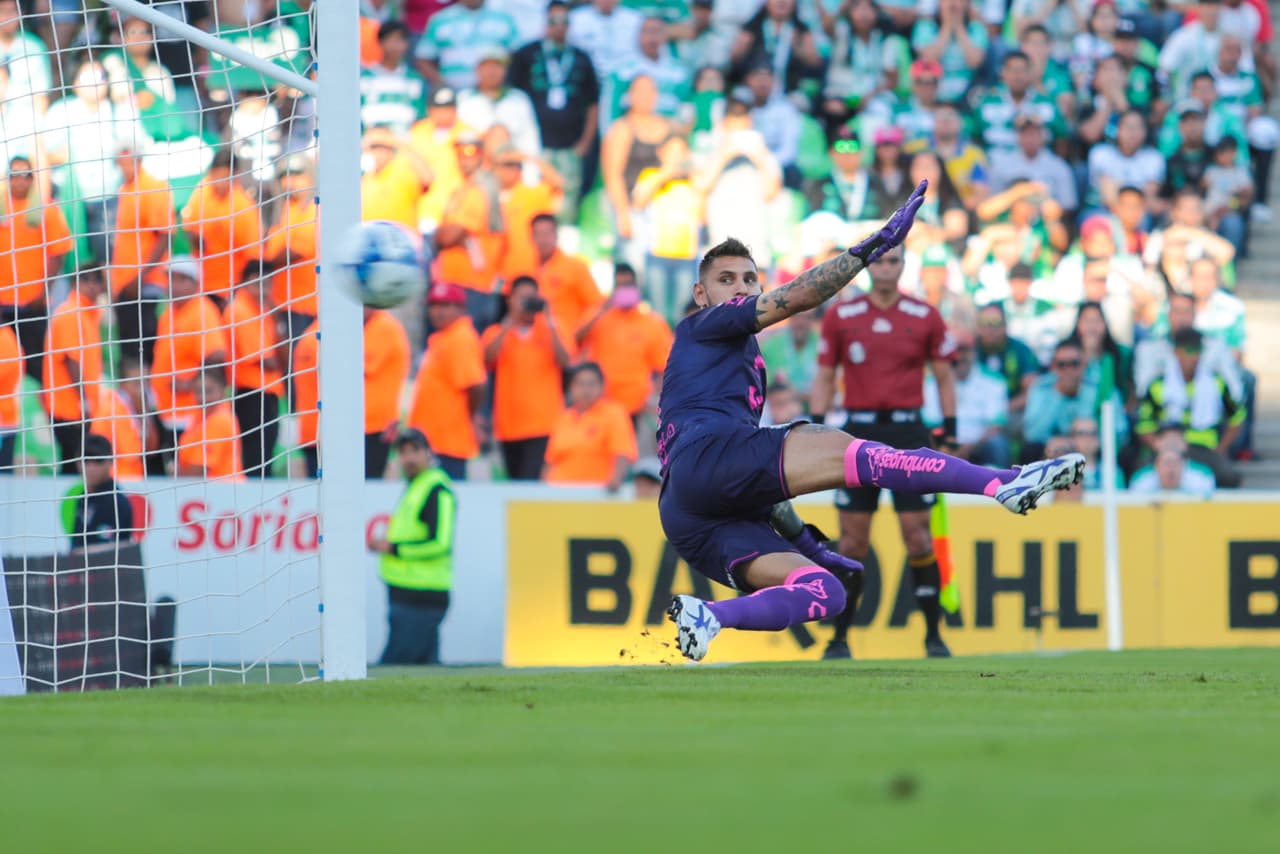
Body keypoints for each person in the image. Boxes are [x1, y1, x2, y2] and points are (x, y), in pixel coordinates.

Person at [661, 181, 1084, 662]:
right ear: (700, 293)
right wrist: (867, 250)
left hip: (690, 513)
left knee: (824, 591)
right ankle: (1003, 483)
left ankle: (709, 617)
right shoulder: (705, 325)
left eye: (749, 280)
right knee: (862, 454)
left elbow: (755, 484)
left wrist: (807, 546)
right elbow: (798, 297)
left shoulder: (738, 356)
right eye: (726, 279)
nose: (741, 289)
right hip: (708, 458)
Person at [810, 241, 959, 660]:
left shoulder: (924, 315)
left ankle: (933, 636)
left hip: (908, 433)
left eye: (893, 260)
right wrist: (814, 421)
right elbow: (824, 374)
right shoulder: (842, 316)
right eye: (879, 260)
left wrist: (949, 429)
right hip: (857, 431)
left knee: (917, 536)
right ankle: (838, 638)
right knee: (853, 543)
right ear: (869, 266)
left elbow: (945, 378)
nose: (886, 268)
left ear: (904, 265)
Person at [368, 428, 456, 666]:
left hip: (421, 595)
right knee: (425, 671)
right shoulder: (417, 487)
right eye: (403, 452)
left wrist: (394, 548)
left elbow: (440, 543)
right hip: (409, 592)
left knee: (393, 670)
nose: (408, 458)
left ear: (428, 453)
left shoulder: (437, 490)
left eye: (414, 451)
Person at [481, 275, 571, 480]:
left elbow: (566, 360)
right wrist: (508, 322)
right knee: (516, 483)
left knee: (533, 482)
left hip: (544, 424)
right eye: (521, 298)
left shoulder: (551, 329)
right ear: (509, 299)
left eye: (531, 297)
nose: (526, 303)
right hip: (508, 426)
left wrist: (549, 319)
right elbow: (487, 358)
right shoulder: (496, 331)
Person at [64, 433, 134, 551]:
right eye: (86, 460)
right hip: (80, 567)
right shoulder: (83, 498)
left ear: (110, 462)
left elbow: (120, 549)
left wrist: (80, 553)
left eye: (98, 460)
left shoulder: (117, 502)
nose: (91, 467)